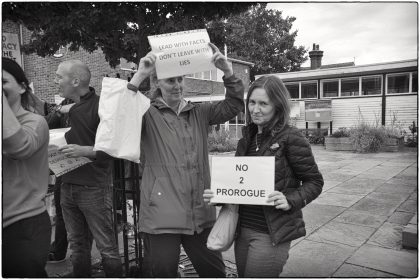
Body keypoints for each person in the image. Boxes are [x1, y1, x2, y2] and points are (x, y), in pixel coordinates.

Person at [123, 42, 244, 277]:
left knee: (215, 273)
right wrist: (140, 74)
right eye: (170, 81)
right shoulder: (146, 112)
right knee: (162, 274)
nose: (177, 86)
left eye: (180, 79)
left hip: (199, 214)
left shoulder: (199, 112)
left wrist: (227, 72)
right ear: (158, 83)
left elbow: (234, 105)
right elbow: (120, 117)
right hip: (161, 216)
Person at [204, 75, 324, 277]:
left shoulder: (291, 137)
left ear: (277, 105)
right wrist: (219, 194)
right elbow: (240, 184)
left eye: (263, 104)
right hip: (242, 230)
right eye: (252, 102)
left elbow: (315, 181)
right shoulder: (247, 139)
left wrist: (291, 199)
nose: (255, 109)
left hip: (272, 234)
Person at [54, 60, 122, 277]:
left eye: (58, 76)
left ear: (75, 81)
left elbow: (116, 147)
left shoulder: (102, 107)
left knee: (107, 248)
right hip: (66, 185)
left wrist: (87, 151)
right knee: (77, 247)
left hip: (94, 188)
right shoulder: (62, 108)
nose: (55, 81)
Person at [2, 57, 51, 277]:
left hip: (23, 224)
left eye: (3, 82)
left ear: (22, 87)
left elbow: (19, 147)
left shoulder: (35, 122)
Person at [44, 98, 74, 263]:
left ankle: (82, 255)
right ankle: (59, 251)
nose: (57, 81)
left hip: (87, 170)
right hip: (63, 168)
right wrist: (59, 110)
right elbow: (46, 124)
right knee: (62, 212)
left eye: (60, 77)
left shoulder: (93, 103)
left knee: (87, 216)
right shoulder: (63, 104)